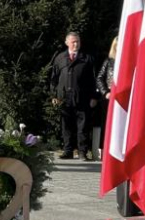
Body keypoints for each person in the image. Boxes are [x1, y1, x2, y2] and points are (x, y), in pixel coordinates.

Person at [50, 32, 98, 160]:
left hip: (82, 97)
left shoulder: (87, 58)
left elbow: (93, 80)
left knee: (83, 126)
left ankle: (82, 152)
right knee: (66, 125)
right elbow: (54, 79)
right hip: (64, 98)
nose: (76, 44)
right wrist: (54, 96)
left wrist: (94, 97)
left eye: (78, 41)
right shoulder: (60, 58)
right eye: (73, 42)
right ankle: (68, 151)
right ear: (67, 43)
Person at [95, 37, 117, 161]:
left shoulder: (130, 60)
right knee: (107, 125)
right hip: (109, 98)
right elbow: (99, 78)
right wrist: (106, 92)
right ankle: (104, 152)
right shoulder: (109, 61)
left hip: (124, 99)